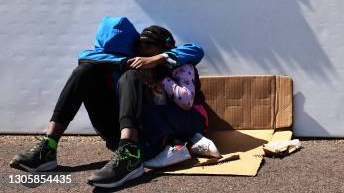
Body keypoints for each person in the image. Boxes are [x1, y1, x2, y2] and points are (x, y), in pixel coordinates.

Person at [10, 17, 204, 189]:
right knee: (82, 72)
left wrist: (155, 60)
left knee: (131, 76)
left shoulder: (149, 56)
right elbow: (85, 57)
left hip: (146, 134)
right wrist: (122, 61)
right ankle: (49, 145)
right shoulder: (104, 58)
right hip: (112, 128)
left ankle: (130, 155)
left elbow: (195, 50)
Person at [138, 25, 221, 169]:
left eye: (149, 52)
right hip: (176, 120)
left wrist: (163, 80)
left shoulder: (181, 65)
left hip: (193, 117)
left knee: (146, 113)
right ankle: (194, 143)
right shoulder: (154, 70)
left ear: (163, 49)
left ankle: (176, 147)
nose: (145, 57)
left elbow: (187, 101)